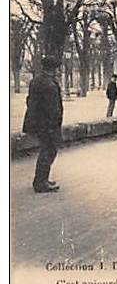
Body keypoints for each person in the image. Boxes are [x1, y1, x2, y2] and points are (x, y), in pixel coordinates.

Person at [22, 56, 64, 193]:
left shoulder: (36, 80)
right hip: (48, 124)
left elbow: (30, 101)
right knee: (49, 150)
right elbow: (53, 108)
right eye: (56, 69)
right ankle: (41, 182)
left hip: (37, 122)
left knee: (45, 150)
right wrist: (55, 124)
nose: (58, 71)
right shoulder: (50, 84)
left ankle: (41, 179)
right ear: (53, 69)